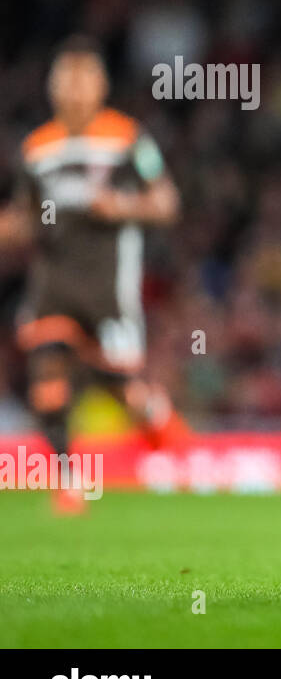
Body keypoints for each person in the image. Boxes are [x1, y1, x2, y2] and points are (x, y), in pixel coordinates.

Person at [0, 36, 184, 513]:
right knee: (47, 366)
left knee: (118, 386)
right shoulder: (36, 148)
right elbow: (23, 215)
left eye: (85, 81)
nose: (76, 92)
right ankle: (68, 480)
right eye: (67, 81)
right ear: (53, 87)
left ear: (101, 86)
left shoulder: (127, 138)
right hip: (53, 278)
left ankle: (155, 416)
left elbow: (167, 203)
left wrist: (122, 204)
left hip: (108, 283)